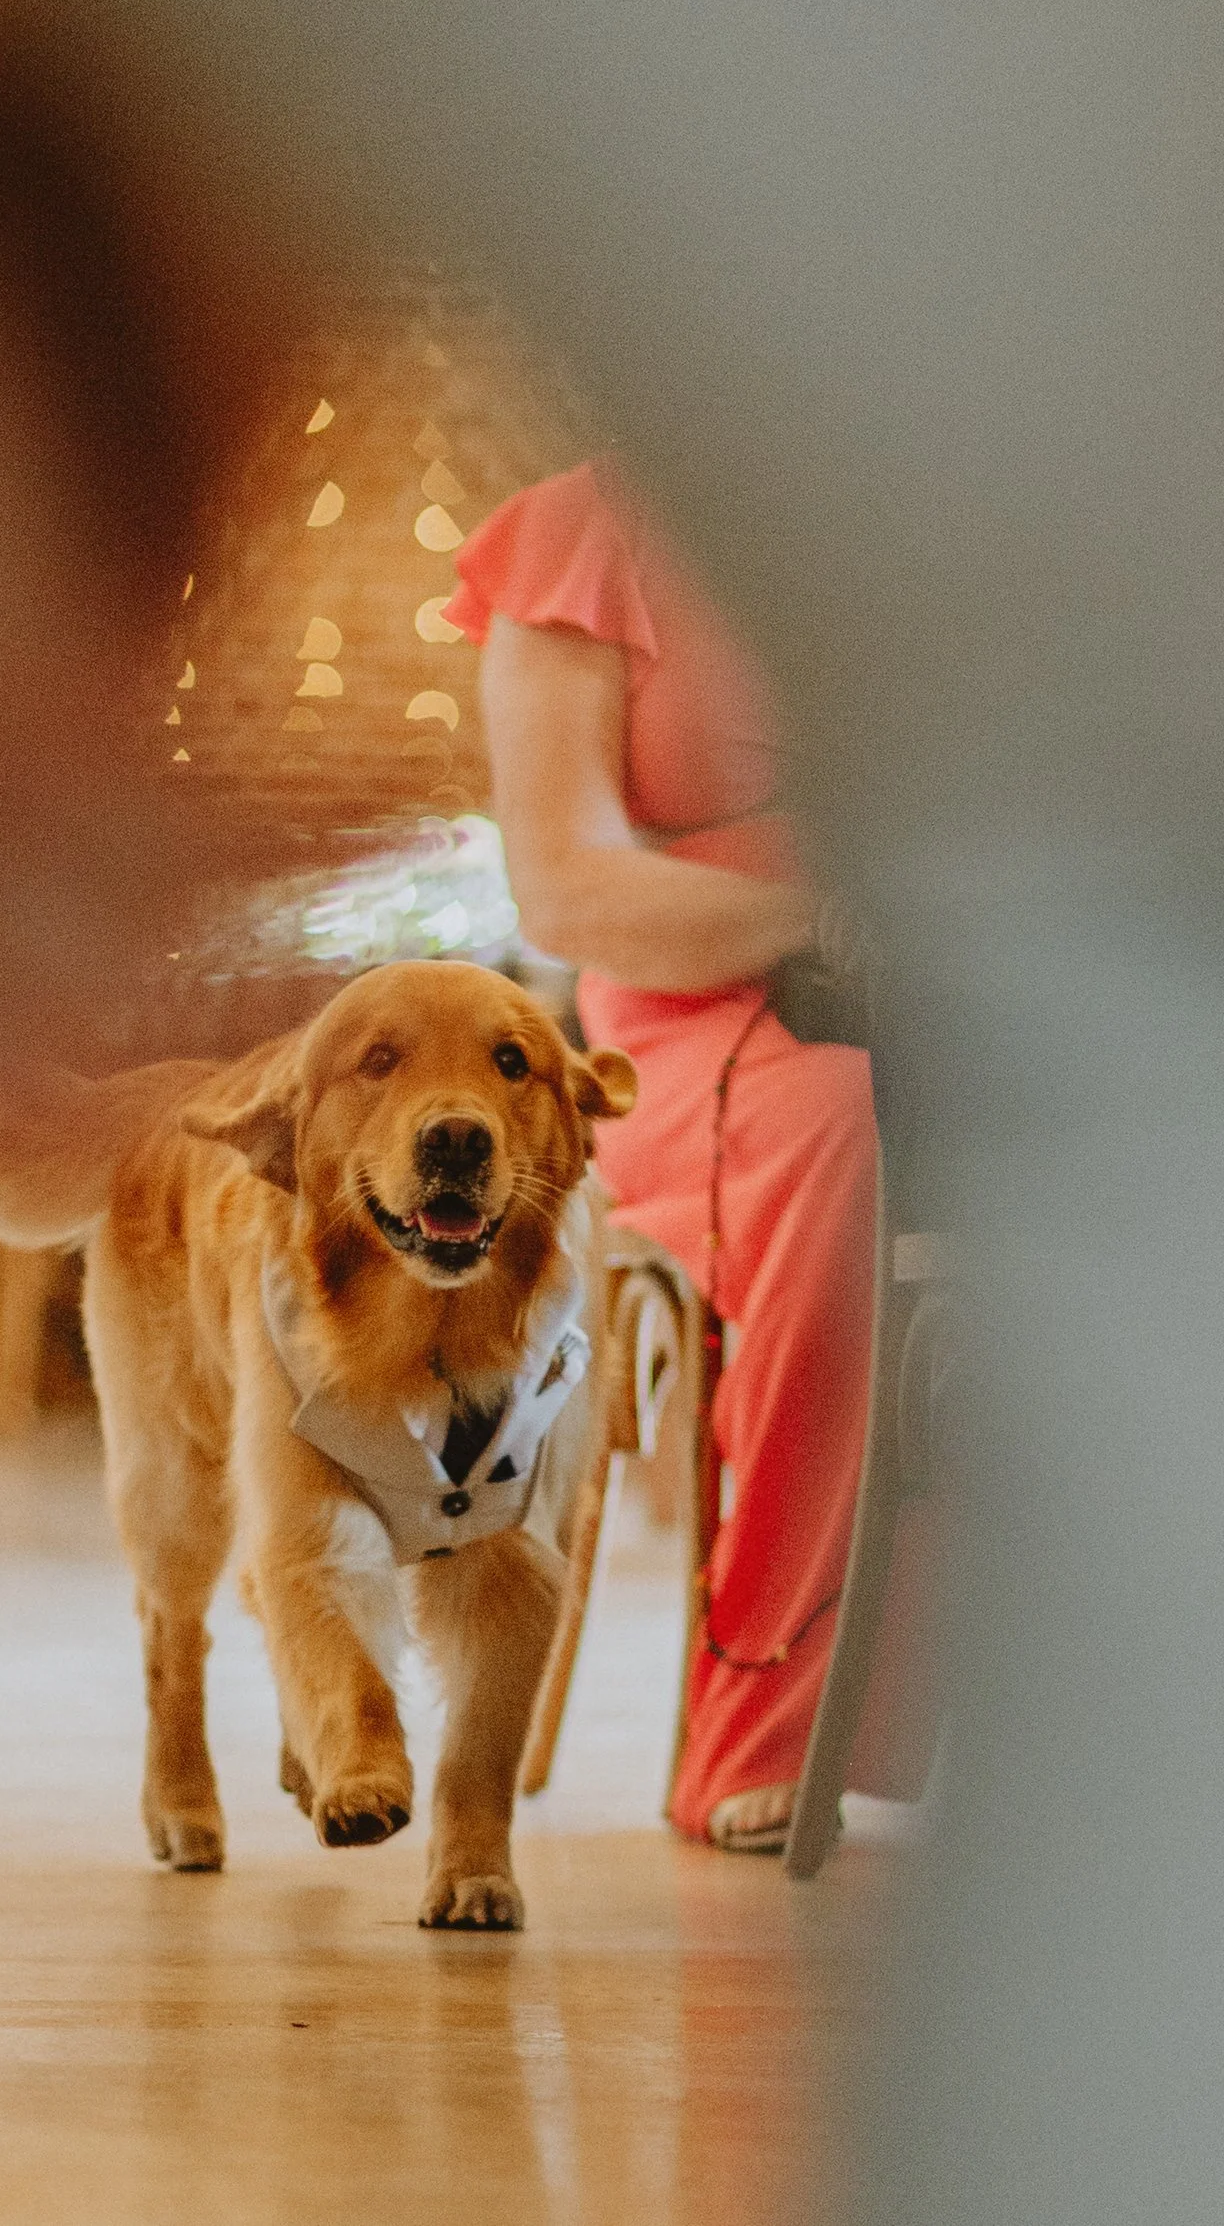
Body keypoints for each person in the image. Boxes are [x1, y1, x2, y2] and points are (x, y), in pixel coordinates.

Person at [444, 459, 876, 1850]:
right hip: (688, 1021)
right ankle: (763, 1720)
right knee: (852, 1138)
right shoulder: (584, 534)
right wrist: (819, 921)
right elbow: (566, 886)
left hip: (932, 990)